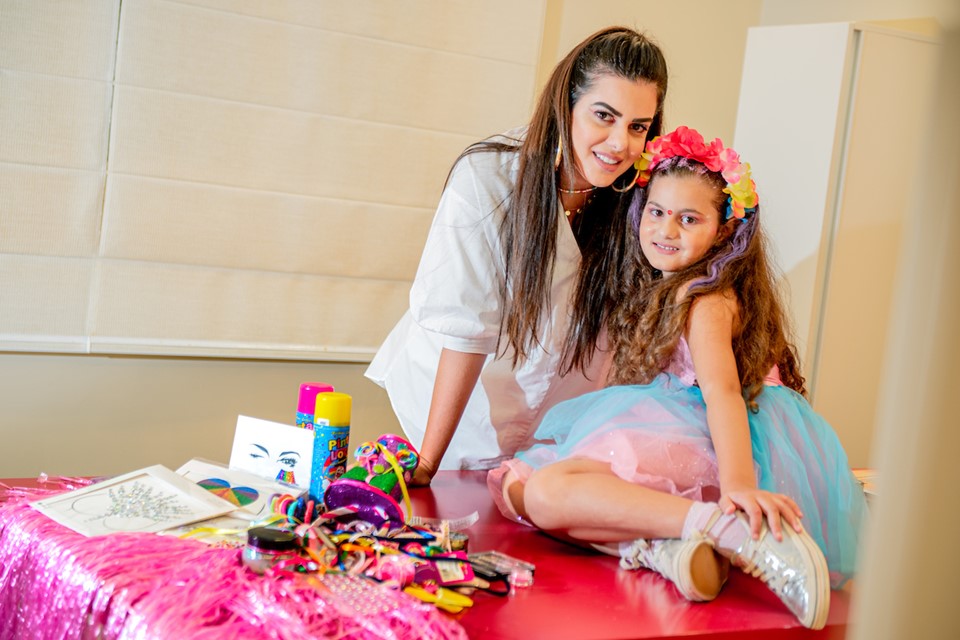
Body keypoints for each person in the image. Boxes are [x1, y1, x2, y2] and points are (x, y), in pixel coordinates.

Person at [488, 126, 868, 630]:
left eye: (688, 219)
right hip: (688, 426)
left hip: (719, 437)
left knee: (543, 493)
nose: (666, 230)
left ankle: (727, 528)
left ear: (724, 231)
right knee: (517, 489)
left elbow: (723, 393)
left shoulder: (705, 300)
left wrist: (738, 488)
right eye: (657, 212)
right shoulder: (676, 290)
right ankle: (667, 548)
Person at [366, 27, 669, 484]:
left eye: (637, 127)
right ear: (566, 104)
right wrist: (428, 462)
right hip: (454, 413)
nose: (619, 144)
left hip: (550, 434)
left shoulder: (641, 200)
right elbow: (467, 331)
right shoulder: (488, 179)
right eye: (603, 116)